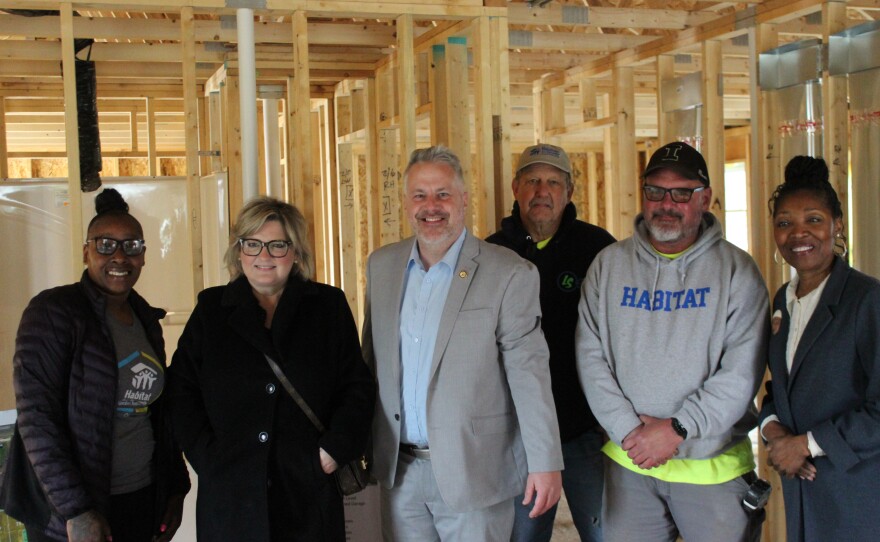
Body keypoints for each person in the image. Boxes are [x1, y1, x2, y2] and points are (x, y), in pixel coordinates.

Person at [363, 145, 563, 541]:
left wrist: (545, 461)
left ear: (464, 200)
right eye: (420, 195)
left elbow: (529, 374)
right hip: (399, 472)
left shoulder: (509, 273)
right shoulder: (382, 265)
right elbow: (370, 362)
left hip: (475, 472)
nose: (431, 206)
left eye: (443, 194)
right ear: (406, 203)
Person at [576, 142, 769, 541]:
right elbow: (590, 358)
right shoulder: (609, 266)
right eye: (656, 191)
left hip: (712, 469)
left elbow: (741, 372)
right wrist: (630, 431)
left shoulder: (737, 272)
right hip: (629, 464)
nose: (667, 203)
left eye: (682, 192)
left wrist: (677, 428)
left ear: (706, 198)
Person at [168, 197, 374, 541]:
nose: (263, 257)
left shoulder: (327, 307)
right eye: (252, 244)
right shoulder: (211, 310)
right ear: (238, 251)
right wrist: (207, 458)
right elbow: (182, 390)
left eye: (277, 245)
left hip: (308, 491)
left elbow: (357, 387)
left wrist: (332, 452)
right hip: (232, 495)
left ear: (296, 253)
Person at [0, 188, 190, 542]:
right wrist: (77, 510)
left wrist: (174, 487)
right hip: (69, 512)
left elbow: (158, 416)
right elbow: (37, 417)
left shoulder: (145, 319)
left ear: (144, 256)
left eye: (132, 246)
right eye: (105, 245)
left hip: (139, 497)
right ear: (86, 251)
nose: (119, 256)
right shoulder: (54, 312)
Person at [486, 143, 614, 542]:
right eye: (533, 180)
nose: (543, 191)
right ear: (516, 188)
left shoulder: (598, 249)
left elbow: (618, 336)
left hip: (585, 431)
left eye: (553, 182)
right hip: (518, 435)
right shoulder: (491, 253)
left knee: (606, 533)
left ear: (569, 192)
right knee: (523, 536)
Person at [759, 156, 880, 541]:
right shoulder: (783, 301)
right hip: (805, 494)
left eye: (813, 219)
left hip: (860, 492)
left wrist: (807, 444)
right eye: (785, 223)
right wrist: (773, 429)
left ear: (836, 226)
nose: (798, 233)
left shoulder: (867, 300)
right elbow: (781, 388)